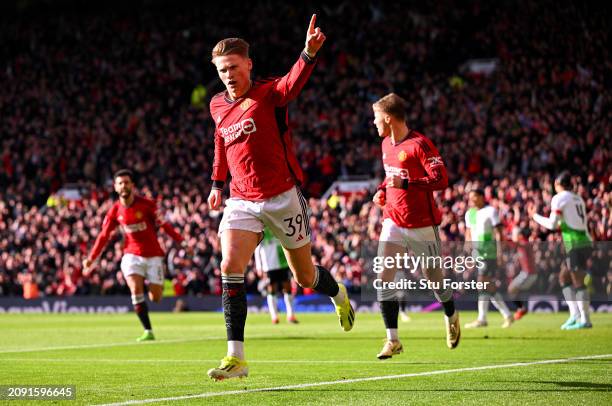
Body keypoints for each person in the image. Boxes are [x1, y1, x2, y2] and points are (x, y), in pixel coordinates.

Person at [206, 14, 355, 381]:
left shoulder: (269, 92)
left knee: (304, 277)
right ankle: (235, 357)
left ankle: (338, 293)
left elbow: (291, 85)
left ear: (248, 65)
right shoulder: (217, 105)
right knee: (229, 266)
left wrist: (307, 53)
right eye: (222, 69)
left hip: (282, 197)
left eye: (233, 67)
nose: (228, 74)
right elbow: (221, 143)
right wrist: (216, 183)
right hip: (242, 199)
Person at [371, 93, 460, 360]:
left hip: (422, 224)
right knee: (382, 279)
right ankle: (392, 339)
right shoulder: (386, 144)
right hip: (393, 221)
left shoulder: (420, 144)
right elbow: (390, 178)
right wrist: (380, 191)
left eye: (376, 117)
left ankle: (451, 313)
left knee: (435, 280)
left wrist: (408, 184)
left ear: (388, 117)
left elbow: (441, 179)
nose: (373, 123)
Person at [82, 169, 189, 341]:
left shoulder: (147, 205)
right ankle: (148, 330)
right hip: (131, 255)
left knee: (156, 297)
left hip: (154, 255)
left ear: (132, 185)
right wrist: (91, 258)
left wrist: (182, 242)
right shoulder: (114, 211)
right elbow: (103, 236)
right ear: (116, 188)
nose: (124, 186)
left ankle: (150, 286)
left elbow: (165, 226)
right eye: (120, 183)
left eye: (126, 182)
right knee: (135, 289)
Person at [532, 171, 593, 330]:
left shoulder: (559, 198)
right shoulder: (577, 198)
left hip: (575, 243)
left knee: (577, 280)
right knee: (563, 277)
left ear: (558, 185)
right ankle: (575, 315)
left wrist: (535, 217)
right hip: (584, 240)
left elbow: (553, 225)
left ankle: (585, 320)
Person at [464, 189, 514, 329]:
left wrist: (500, 253)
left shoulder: (490, 211)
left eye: (474, 197)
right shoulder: (469, 214)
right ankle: (507, 315)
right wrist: (467, 252)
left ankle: (482, 319)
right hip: (477, 254)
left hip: (489, 253)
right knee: (488, 286)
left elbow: (499, 234)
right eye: (470, 198)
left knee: (482, 283)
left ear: (481, 197)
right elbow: (469, 234)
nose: (472, 200)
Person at [254, 228, 298, 324]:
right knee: (271, 289)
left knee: (287, 287)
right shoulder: (262, 230)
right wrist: (259, 267)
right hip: (269, 265)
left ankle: (290, 315)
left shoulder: (279, 226)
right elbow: (257, 248)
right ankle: (274, 316)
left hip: (283, 262)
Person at [507, 226, 538, 320]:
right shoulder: (522, 244)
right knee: (512, 290)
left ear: (520, 235)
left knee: (511, 289)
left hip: (528, 274)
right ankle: (521, 308)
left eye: (515, 235)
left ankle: (521, 308)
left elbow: (514, 243)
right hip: (526, 274)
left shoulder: (524, 244)